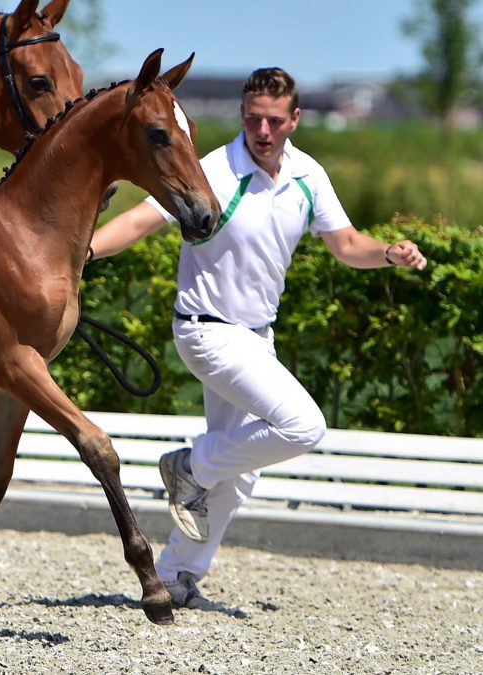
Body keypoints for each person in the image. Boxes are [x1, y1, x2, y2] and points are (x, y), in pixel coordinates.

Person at [87, 67, 427, 610]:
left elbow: (345, 244)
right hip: (207, 333)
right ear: (242, 116)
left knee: (241, 477)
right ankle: (189, 466)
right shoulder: (213, 169)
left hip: (255, 339)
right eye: (252, 119)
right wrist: (80, 253)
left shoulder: (308, 175)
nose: (261, 130)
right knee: (303, 425)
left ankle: (175, 576)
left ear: (294, 119)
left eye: (273, 120)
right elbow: (139, 222)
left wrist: (389, 252)